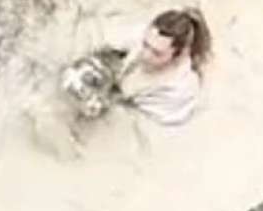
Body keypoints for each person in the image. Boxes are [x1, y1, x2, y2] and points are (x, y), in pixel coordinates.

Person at [61, 8, 212, 126]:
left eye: (157, 53)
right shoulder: (146, 34)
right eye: (145, 44)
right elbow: (101, 41)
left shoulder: (179, 90)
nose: (145, 55)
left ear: (179, 55)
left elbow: (142, 123)